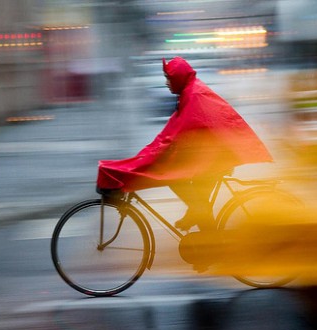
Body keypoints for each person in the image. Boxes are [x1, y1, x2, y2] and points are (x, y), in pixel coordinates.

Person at [97, 57, 273, 231]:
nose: (166, 83)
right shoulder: (189, 92)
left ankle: (211, 240)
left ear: (179, 78)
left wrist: (152, 156)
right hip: (215, 153)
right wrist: (147, 153)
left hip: (217, 157)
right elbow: (172, 131)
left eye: (169, 78)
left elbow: (178, 133)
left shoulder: (193, 95)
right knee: (195, 196)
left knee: (176, 178)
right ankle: (204, 232)